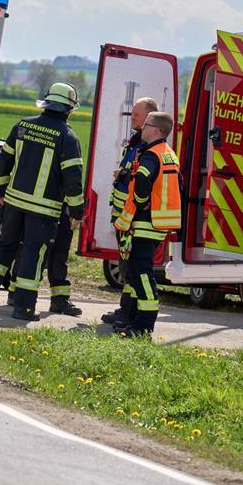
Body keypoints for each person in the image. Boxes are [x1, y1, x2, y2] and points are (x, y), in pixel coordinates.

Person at [0, 83, 85, 320]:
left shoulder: (22, 126)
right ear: (68, 109)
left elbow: (3, 159)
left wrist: (2, 189)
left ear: (47, 103)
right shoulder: (68, 137)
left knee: (4, 244)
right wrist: (77, 210)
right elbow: (72, 178)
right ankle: (23, 308)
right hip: (43, 210)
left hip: (13, 203)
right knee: (32, 254)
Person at [111, 111, 181, 336]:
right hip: (157, 222)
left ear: (157, 130)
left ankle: (144, 325)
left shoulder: (151, 155)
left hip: (146, 222)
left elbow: (143, 180)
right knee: (134, 271)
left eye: (147, 125)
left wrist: (140, 203)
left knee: (141, 272)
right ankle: (132, 319)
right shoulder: (168, 153)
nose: (142, 129)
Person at [101, 96, 158, 326]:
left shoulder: (147, 147)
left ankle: (128, 314)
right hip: (125, 215)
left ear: (149, 118)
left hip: (132, 217)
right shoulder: (137, 141)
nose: (132, 117)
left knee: (131, 267)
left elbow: (139, 181)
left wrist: (122, 175)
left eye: (136, 114)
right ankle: (125, 311)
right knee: (127, 266)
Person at [5, 205, 78, 315]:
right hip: (42, 208)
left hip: (64, 208)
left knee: (60, 254)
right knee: (30, 252)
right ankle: (16, 293)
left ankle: (60, 300)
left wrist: (77, 212)